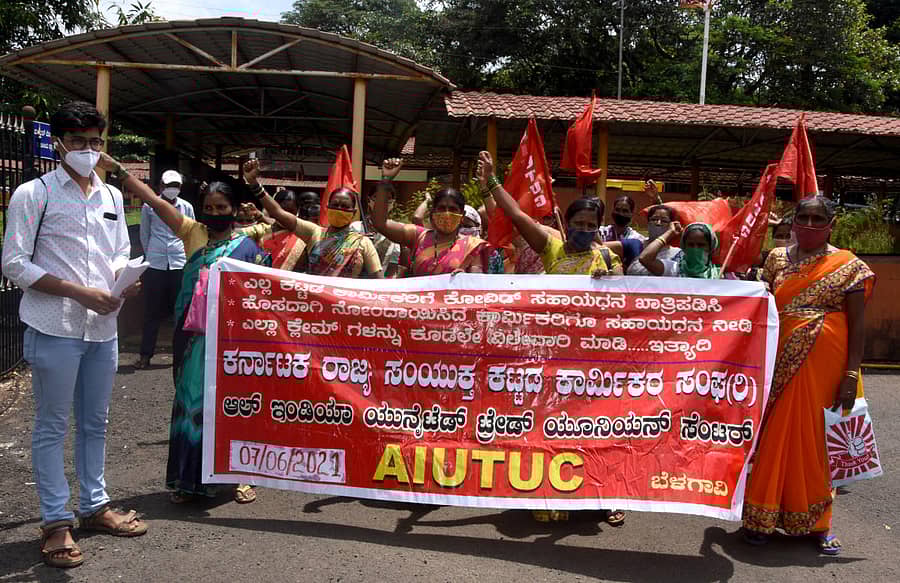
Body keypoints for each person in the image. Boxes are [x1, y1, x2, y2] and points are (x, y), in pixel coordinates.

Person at [1, 101, 147, 569]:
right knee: (51, 425)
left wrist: (126, 279)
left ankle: (94, 506)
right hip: (55, 325)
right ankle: (56, 521)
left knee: (94, 422)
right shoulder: (34, 193)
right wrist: (78, 292)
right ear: (59, 142)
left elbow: (120, 250)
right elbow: (14, 263)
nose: (89, 150)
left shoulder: (109, 197)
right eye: (80, 141)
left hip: (103, 327)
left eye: (96, 141)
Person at [112, 156, 270, 506]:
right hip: (193, 338)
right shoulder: (192, 232)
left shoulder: (249, 248)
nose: (215, 212)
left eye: (222, 206)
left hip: (230, 342)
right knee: (191, 405)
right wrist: (121, 172)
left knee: (232, 407)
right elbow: (154, 201)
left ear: (233, 209)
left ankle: (242, 477)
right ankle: (187, 479)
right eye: (209, 207)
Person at [742, 196, 875, 556]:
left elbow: (859, 325)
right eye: (804, 217)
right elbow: (758, 303)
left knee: (817, 441)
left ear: (831, 224)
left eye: (819, 218)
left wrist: (851, 372)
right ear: (794, 220)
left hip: (826, 367)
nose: (811, 224)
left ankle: (817, 523)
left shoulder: (849, 265)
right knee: (772, 436)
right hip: (776, 360)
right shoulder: (776, 259)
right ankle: (759, 518)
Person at [478, 151, 622, 279]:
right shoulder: (551, 247)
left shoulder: (606, 256)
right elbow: (516, 214)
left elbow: (622, 285)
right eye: (579, 224)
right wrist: (490, 178)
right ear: (567, 223)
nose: (584, 229)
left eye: (591, 225)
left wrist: (608, 279)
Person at [245, 160, 383, 278]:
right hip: (315, 302)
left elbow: (378, 282)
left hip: (344, 305)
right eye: (335, 205)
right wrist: (254, 183)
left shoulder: (363, 243)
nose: (339, 208)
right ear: (327, 208)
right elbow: (277, 212)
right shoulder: (314, 232)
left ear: (353, 213)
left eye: (344, 206)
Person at [372, 159, 490, 275]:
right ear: (433, 212)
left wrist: (465, 278)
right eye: (442, 208)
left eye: (453, 209)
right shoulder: (418, 237)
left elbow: (476, 281)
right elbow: (380, 224)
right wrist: (385, 180)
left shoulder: (472, 246)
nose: (447, 213)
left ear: (462, 215)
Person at [136, 169, 195, 369]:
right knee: (151, 311)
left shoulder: (186, 207)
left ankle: (179, 355)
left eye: (175, 186)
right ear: (161, 186)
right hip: (156, 263)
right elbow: (144, 234)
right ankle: (145, 355)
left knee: (180, 311)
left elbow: (191, 233)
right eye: (169, 185)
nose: (172, 189)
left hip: (179, 262)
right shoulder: (148, 207)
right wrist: (151, 254)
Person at [351, 181, 401, 277]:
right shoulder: (355, 228)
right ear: (369, 200)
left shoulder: (397, 231)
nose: (382, 203)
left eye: (388, 199)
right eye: (377, 197)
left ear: (393, 203)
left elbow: (393, 268)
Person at [638, 221, 720, 279]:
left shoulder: (720, 275)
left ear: (711, 247)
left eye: (701, 245)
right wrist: (669, 233)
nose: (695, 249)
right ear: (684, 247)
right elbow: (645, 259)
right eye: (691, 245)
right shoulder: (672, 269)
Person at [251, 190, 308, 271]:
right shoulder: (261, 230)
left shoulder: (304, 234)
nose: (284, 215)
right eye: (281, 211)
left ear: (297, 210)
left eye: (290, 211)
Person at [628, 205, 679, 276]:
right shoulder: (634, 245)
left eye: (664, 221)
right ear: (648, 223)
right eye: (654, 219)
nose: (658, 223)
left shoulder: (677, 254)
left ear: (671, 226)